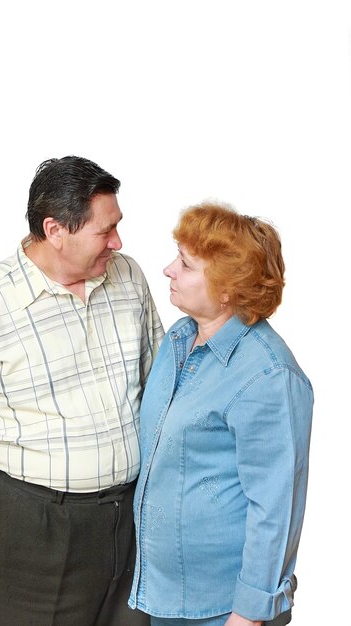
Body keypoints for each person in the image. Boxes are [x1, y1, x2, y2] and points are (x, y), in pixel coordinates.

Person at [0, 156, 164, 626]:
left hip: (132, 522)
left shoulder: (128, 277)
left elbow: (159, 387)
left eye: (118, 226)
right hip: (38, 535)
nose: (118, 241)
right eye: (105, 231)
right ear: (55, 230)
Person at [128, 202, 313, 626]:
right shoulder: (179, 337)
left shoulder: (269, 375)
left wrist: (247, 616)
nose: (168, 270)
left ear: (227, 289)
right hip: (168, 597)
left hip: (224, 610)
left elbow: (276, 508)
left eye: (186, 264)